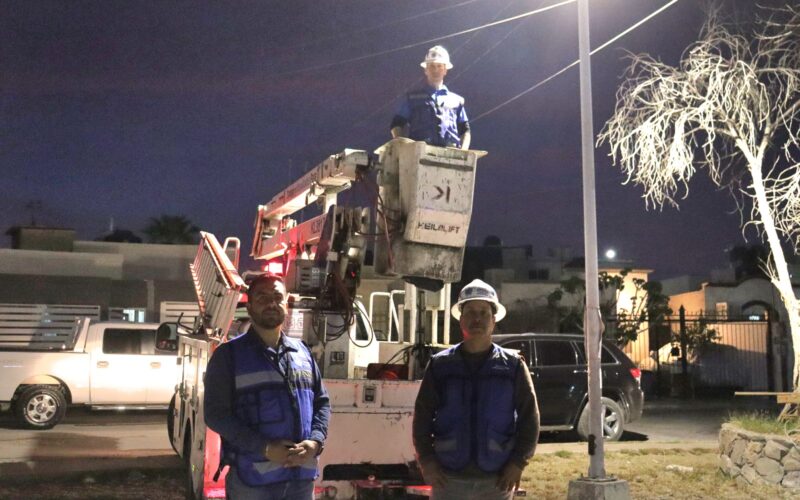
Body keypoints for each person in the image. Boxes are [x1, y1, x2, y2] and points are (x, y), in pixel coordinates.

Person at [204, 273, 330, 500]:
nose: (271, 303)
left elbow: (321, 402)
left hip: (300, 481)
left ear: (286, 304)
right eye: (262, 297)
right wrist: (264, 448)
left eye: (277, 297)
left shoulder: (302, 353)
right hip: (252, 482)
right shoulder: (228, 356)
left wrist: (315, 441)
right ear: (250, 307)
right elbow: (216, 415)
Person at [412, 279, 539, 500]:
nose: (477, 318)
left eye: (483, 312)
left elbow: (530, 418)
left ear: (494, 320)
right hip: (448, 479)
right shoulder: (441, 365)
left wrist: (518, 462)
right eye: (470, 312)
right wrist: (428, 462)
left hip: (496, 480)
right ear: (460, 319)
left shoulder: (513, 366)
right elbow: (422, 417)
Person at [390, 45, 471, 149]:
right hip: (420, 154)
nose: (435, 70)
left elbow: (465, 130)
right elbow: (396, 124)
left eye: (439, 66)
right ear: (426, 70)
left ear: (445, 70)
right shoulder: (412, 98)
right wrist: (403, 148)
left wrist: (463, 152)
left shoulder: (456, 101)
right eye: (432, 66)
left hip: (451, 155)